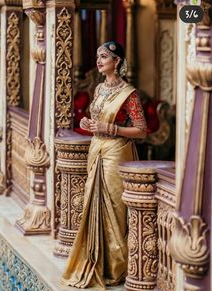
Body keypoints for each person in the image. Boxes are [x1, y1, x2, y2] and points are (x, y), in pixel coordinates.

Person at [62, 41, 147, 289]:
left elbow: (142, 131)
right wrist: (90, 124)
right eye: (98, 56)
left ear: (117, 61)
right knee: (93, 201)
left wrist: (111, 128)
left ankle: (116, 268)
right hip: (96, 149)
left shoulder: (129, 93)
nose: (99, 61)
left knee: (115, 208)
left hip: (116, 153)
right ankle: (95, 261)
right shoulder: (98, 89)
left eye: (104, 57)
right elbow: (97, 119)